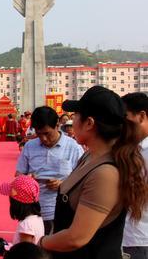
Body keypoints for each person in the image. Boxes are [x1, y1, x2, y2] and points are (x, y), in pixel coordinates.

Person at [38, 86, 148, 258]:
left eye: (76, 116)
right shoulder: (89, 156)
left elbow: (76, 237)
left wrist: (41, 243)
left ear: (89, 123)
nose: (72, 122)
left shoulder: (106, 173)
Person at [15, 106, 84, 235]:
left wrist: (63, 185)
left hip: (62, 211)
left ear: (57, 125)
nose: (43, 139)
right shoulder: (30, 146)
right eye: (39, 134)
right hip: (33, 212)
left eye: (47, 133)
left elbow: (83, 180)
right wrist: (27, 180)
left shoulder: (73, 147)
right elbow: (18, 175)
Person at [0, 175, 44, 258]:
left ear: (16, 202)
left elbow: (24, 255)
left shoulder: (26, 225)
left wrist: (4, 251)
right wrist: (6, 246)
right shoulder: (37, 218)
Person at [121, 92, 148, 259]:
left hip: (139, 237)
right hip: (128, 236)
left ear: (141, 116)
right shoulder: (132, 148)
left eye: (126, 117)